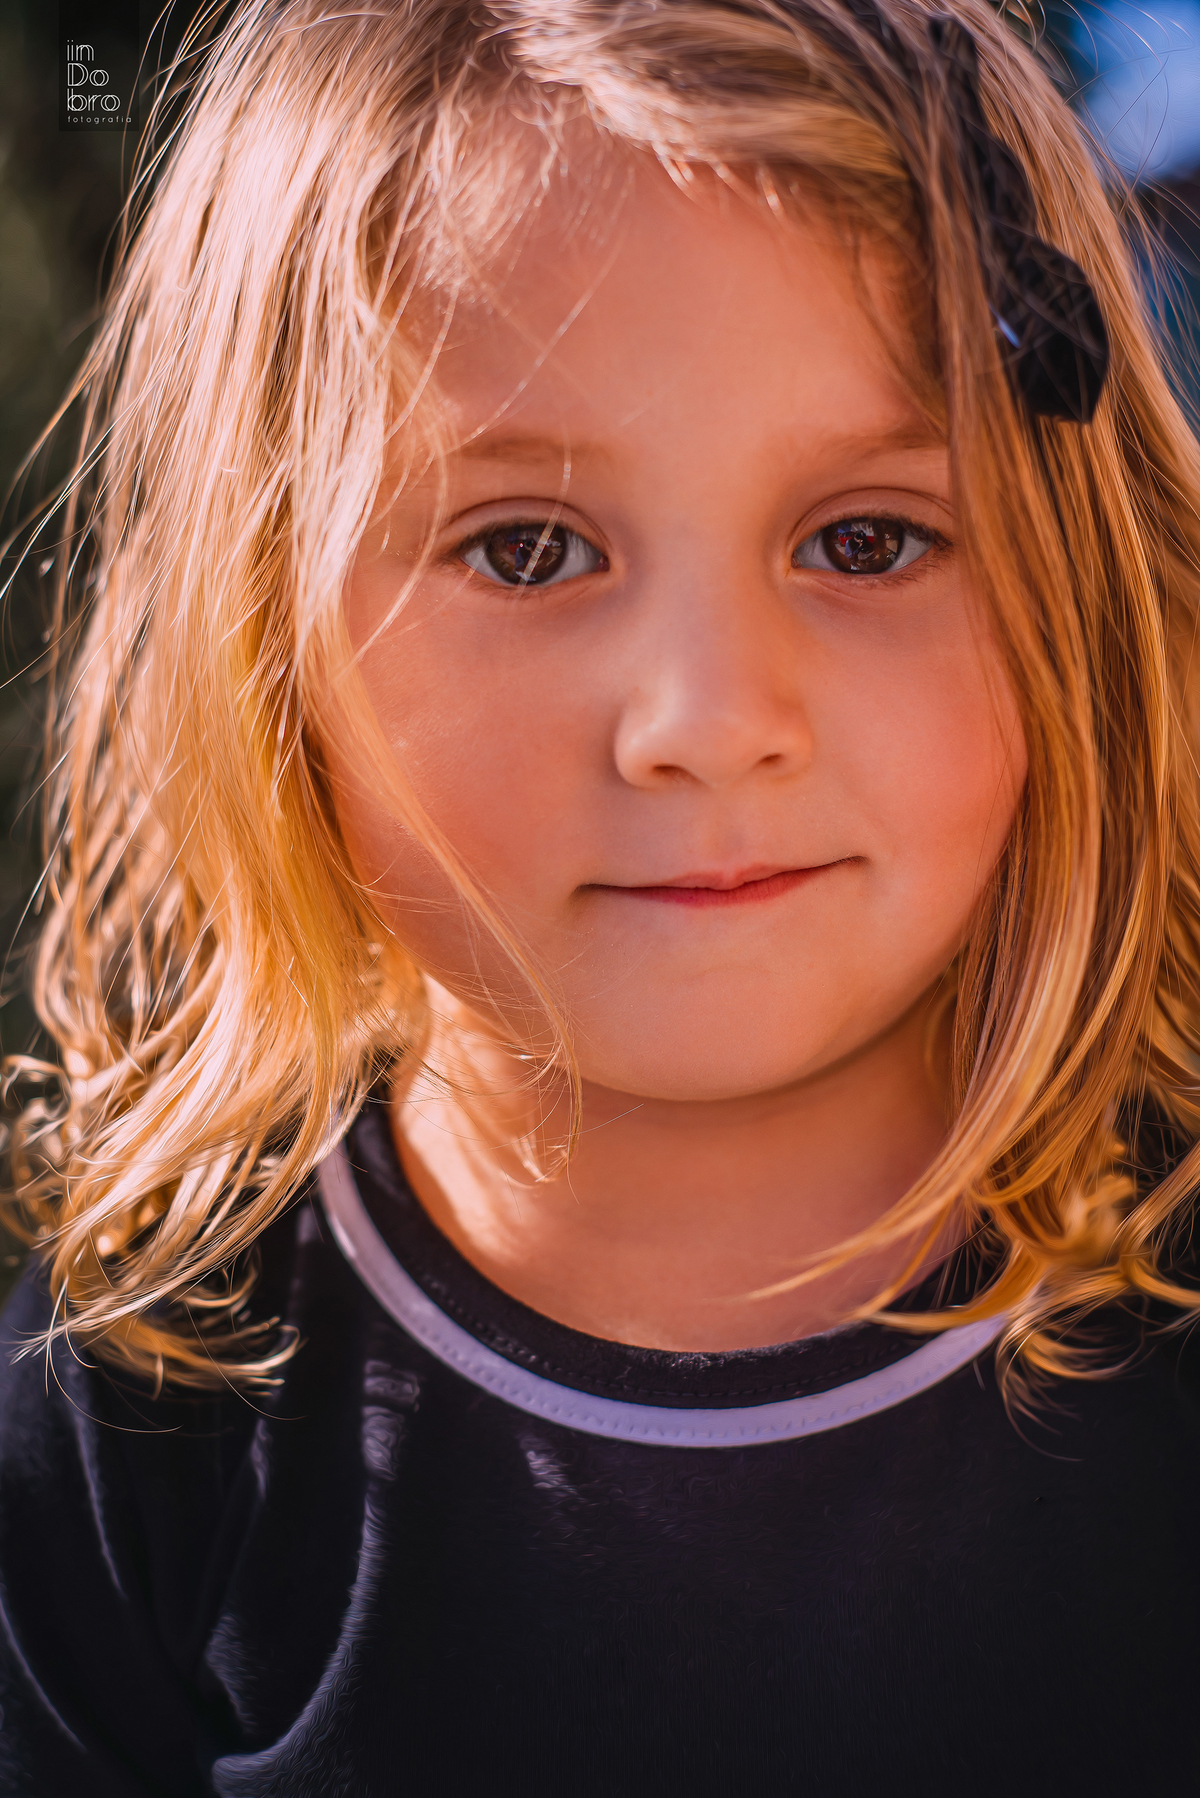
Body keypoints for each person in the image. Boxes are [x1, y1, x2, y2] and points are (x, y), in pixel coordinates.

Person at [3, 0, 1200, 1790]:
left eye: (865, 537)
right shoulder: (119, 1427)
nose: (711, 721)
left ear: (1080, 604)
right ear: (263, 637)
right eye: (528, 548)